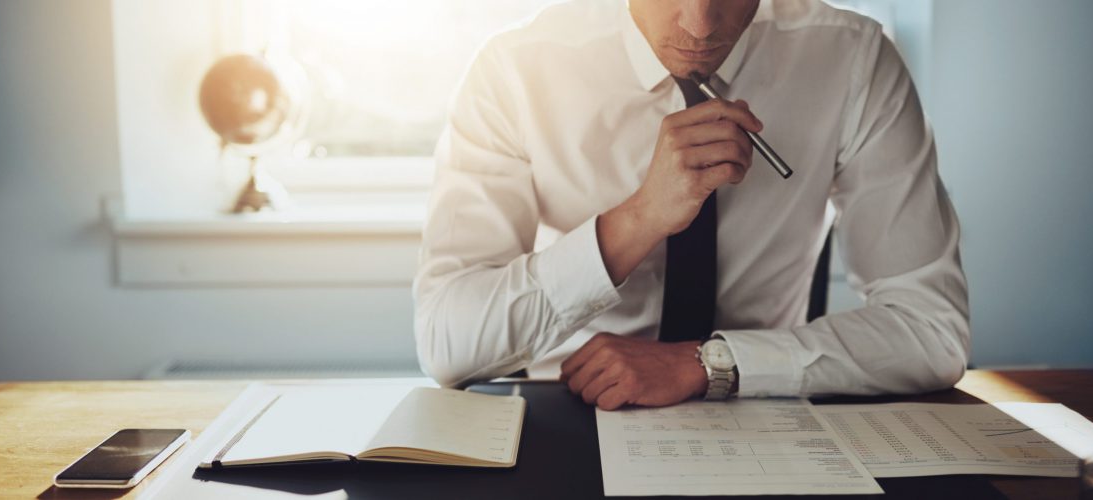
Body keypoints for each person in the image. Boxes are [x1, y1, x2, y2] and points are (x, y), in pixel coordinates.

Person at [413, 0, 970, 410]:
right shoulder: (515, 68)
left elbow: (932, 332)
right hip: (570, 411)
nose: (700, 26)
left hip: (768, 408)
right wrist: (640, 219)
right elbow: (448, 341)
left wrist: (710, 364)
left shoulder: (854, 58)